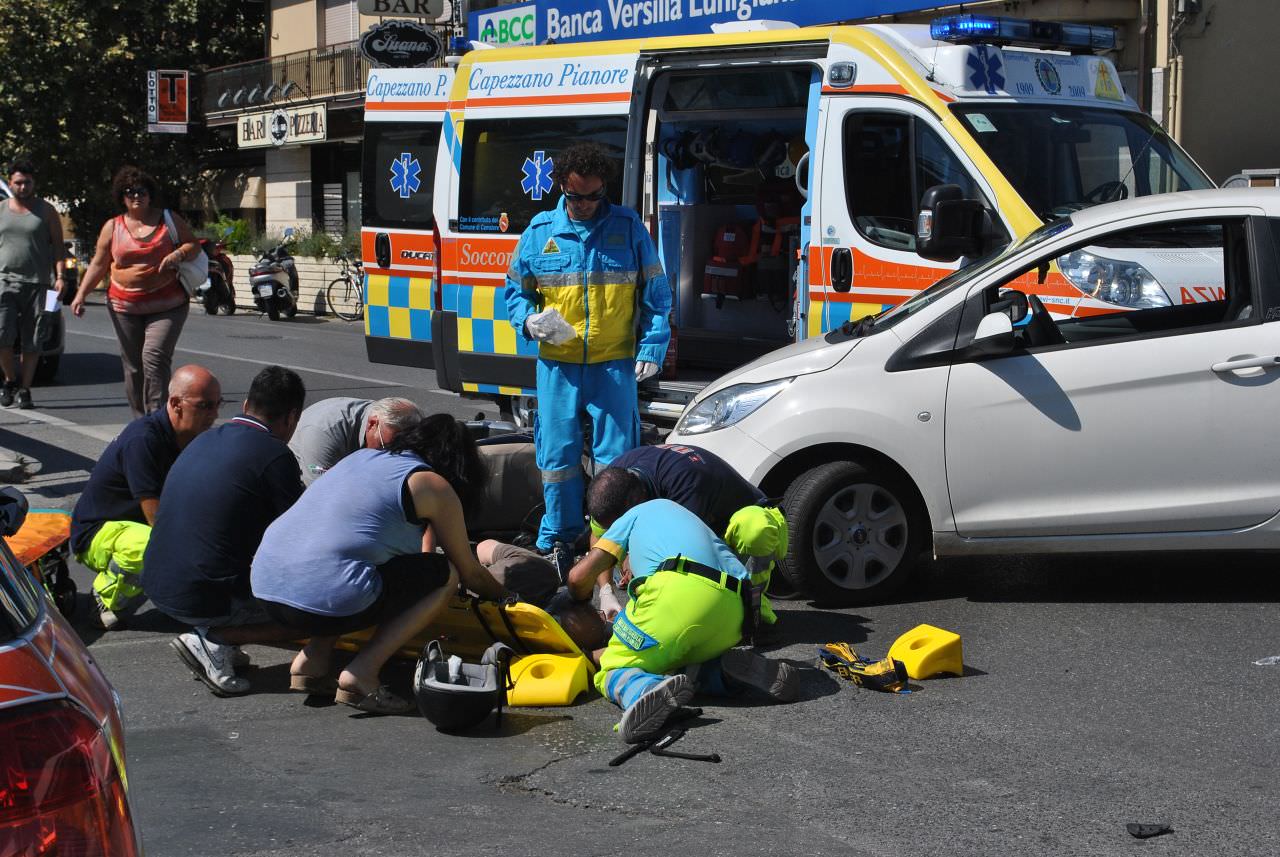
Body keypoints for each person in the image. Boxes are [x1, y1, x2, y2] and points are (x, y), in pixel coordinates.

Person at [252, 415, 511, 715]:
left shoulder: (361, 458)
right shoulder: (431, 484)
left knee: (346, 564)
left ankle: (311, 662)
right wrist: (508, 597)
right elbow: (471, 573)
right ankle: (362, 674)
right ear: (460, 463)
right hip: (323, 595)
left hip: (266, 587)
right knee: (445, 575)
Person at [503, 142, 671, 575]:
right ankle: (559, 536)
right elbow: (515, 293)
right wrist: (528, 322)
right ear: (561, 186)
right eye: (577, 196)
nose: (585, 205)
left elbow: (656, 296)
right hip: (557, 366)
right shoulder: (540, 231)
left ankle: (613, 540)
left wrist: (651, 347)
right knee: (558, 457)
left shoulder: (628, 228)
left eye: (594, 196)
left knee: (616, 460)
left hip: (613, 364)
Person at [566, 498, 797, 743]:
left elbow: (577, 578)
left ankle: (643, 691)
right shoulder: (679, 514)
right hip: (739, 614)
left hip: (682, 595)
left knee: (612, 667)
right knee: (665, 653)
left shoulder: (631, 515)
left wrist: (580, 613)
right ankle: (721, 674)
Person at [142, 366, 308, 696]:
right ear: (291, 417)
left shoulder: (205, 439)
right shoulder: (275, 456)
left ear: (247, 405)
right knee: (317, 611)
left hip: (157, 582)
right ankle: (216, 638)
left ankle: (217, 634)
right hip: (201, 594)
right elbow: (301, 535)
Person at [70, 365, 222, 630]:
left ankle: (175, 592)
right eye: (206, 406)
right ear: (176, 404)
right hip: (97, 533)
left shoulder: (191, 437)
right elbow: (155, 517)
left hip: (135, 527)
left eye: (218, 404)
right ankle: (103, 599)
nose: (214, 414)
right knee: (162, 547)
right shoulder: (144, 440)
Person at [587, 444, 787, 627]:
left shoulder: (685, 483)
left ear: (639, 504)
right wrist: (606, 591)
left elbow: (682, 554)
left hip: (738, 523)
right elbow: (600, 538)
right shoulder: (613, 482)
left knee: (754, 529)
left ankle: (753, 607)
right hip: (701, 518)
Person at [69, 166, 199, 418]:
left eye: (141, 191)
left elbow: (193, 244)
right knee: (133, 367)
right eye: (130, 192)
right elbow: (99, 263)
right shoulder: (113, 226)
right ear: (122, 197)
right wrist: (80, 294)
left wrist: (177, 254)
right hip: (124, 306)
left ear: (150, 194)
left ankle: (157, 418)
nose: (136, 196)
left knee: (154, 357)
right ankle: (140, 420)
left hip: (167, 304)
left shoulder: (167, 219)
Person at [0, 160, 65, 409]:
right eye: (18, 182)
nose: (23, 187)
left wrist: (59, 277)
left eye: (27, 182)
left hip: (40, 285)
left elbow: (58, 248)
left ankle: (25, 389)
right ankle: (9, 380)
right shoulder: (1, 209)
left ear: (33, 183)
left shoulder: (46, 211)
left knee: (34, 339)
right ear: (10, 183)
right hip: (4, 282)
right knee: (2, 336)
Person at [288, 396, 424, 485]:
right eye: (386, 447)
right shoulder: (324, 431)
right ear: (372, 424)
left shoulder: (385, 426)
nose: (390, 456)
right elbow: (319, 493)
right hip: (303, 480)